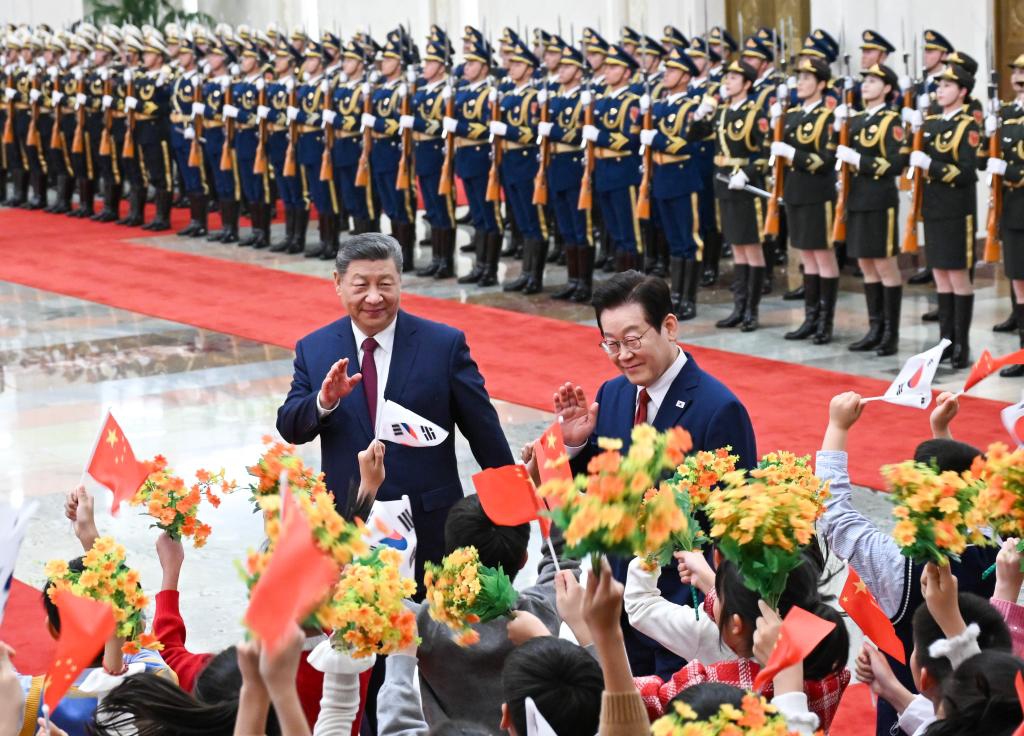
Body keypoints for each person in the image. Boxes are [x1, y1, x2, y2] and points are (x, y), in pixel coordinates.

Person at [276, 233, 513, 586]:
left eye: (385, 283)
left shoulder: (443, 345)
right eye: (361, 285)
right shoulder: (315, 348)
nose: (374, 297)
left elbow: (485, 433)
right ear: (338, 284)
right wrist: (324, 401)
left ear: (400, 281)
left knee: (433, 635)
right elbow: (291, 426)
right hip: (349, 523)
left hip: (431, 524)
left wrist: (512, 514)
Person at [550, 271, 756, 678]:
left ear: (669, 327)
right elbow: (597, 490)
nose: (623, 354)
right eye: (611, 343)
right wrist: (573, 448)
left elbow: (737, 524)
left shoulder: (718, 409)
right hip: (619, 605)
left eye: (632, 339)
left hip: (679, 613)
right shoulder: (613, 393)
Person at [908, 62, 980, 369]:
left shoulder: (968, 126)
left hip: (956, 208)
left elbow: (965, 172)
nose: (940, 90)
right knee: (940, 276)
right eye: (939, 86)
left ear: (962, 91)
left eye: (948, 86)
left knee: (958, 276)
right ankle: (945, 342)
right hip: (934, 207)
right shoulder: (933, 122)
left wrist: (931, 166)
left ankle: (962, 343)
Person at [834, 63, 907, 356]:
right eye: (865, 80)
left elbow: (895, 164)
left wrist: (860, 161)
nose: (866, 85)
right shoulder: (857, 119)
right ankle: (874, 328)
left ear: (888, 88)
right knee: (865, 264)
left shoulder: (892, 121)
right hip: (857, 198)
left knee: (885, 264)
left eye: (874, 81)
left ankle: (891, 333)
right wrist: (836, 128)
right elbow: (836, 153)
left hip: (880, 199)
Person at [695, 59, 770, 331]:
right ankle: (738, 308)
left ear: (747, 84)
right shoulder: (722, 112)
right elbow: (693, 134)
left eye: (734, 78)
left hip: (744, 185)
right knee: (737, 247)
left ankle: (752, 310)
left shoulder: (756, 114)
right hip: (724, 183)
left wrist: (748, 172)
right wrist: (699, 114)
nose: (727, 82)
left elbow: (764, 154)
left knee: (752, 247)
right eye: (727, 77)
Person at [771, 57, 840, 345]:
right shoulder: (794, 115)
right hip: (797, 191)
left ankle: (825, 322)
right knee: (808, 258)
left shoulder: (828, 117)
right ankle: (810, 318)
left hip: (818, 192)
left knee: (823, 256)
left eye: (807, 78)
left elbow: (825, 160)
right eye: (798, 78)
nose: (800, 82)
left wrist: (792, 154)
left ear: (821, 84)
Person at [539, 41, 592, 303]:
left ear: (579, 70)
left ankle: (585, 283)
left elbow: (579, 134)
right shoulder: (556, 97)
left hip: (573, 166)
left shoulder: (584, 97)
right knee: (566, 228)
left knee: (581, 227)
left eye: (567, 66)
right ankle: (573, 280)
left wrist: (554, 131)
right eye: (559, 66)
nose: (560, 71)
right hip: (556, 167)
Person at [986, 53, 1024, 377]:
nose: (1018, 76)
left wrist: (1009, 169)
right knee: (1019, 281)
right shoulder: (1007, 115)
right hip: (1013, 208)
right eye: (1016, 71)